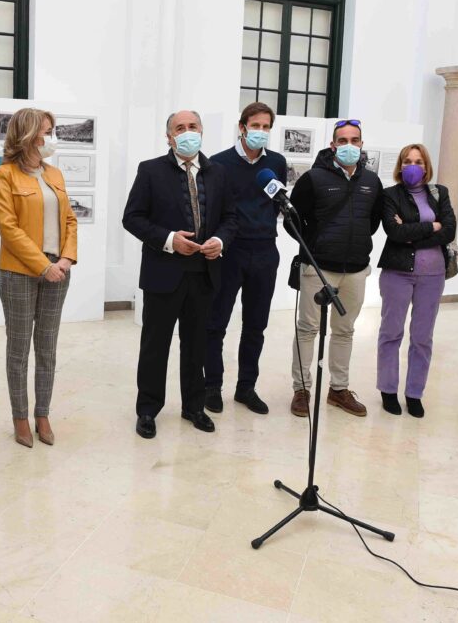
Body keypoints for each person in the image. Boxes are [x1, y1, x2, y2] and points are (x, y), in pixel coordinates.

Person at [122, 110, 238, 439]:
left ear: (202, 131)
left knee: (197, 344)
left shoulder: (219, 173)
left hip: (205, 273)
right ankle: (147, 409)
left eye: (193, 127)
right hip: (164, 272)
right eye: (179, 128)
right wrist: (170, 240)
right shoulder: (151, 171)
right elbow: (132, 218)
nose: (187, 132)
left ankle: (193, 406)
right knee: (155, 345)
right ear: (169, 136)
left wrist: (220, 241)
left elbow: (231, 217)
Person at [0, 108, 78, 447]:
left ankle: (43, 413)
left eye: (51, 131)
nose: (50, 138)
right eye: (45, 132)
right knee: (18, 349)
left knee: (47, 347)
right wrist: (43, 265)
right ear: (27, 135)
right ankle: (20, 417)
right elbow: (8, 229)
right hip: (19, 273)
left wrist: (67, 257)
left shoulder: (54, 174)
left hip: (60, 269)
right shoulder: (5, 175)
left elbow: (70, 219)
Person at [287, 119, 383, 419]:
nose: (349, 146)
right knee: (308, 328)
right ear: (333, 145)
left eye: (355, 140)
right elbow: (293, 219)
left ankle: (338, 389)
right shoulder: (314, 178)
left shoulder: (372, 181)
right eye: (343, 141)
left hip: (355, 269)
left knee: (345, 330)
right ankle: (302, 389)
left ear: (362, 145)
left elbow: (374, 221)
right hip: (318, 267)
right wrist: (314, 245)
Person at [204, 102, 287, 415]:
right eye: (256, 126)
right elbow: (213, 210)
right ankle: (212, 386)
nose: (261, 132)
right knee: (216, 323)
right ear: (242, 127)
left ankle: (246, 387)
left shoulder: (276, 162)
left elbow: (277, 201)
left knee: (256, 325)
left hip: (265, 250)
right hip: (230, 252)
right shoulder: (219, 163)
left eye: (266, 127)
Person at [375, 144, 456, 418]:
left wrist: (412, 232)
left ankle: (414, 393)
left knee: (422, 337)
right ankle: (388, 389)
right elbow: (393, 232)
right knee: (391, 333)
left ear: (426, 165)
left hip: (433, 275)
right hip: (397, 271)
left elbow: (449, 231)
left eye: (418, 161)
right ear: (400, 166)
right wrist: (430, 227)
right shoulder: (390, 195)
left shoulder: (439, 193)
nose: (413, 166)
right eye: (408, 161)